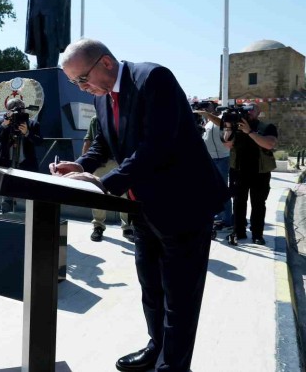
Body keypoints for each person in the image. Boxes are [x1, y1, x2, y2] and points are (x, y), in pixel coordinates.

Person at [51, 39, 227, 372]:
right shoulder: (103, 100)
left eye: (81, 79)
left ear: (105, 63)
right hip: (143, 210)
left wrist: (104, 185)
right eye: (76, 83)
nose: (81, 87)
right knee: (152, 289)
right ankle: (155, 347)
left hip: (182, 207)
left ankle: (173, 367)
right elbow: (103, 147)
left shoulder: (153, 79)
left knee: (180, 300)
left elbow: (155, 148)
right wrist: (81, 167)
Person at [223, 103, 277, 245]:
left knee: (258, 204)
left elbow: (269, 144)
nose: (249, 112)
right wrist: (229, 126)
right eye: (247, 109)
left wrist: (249, 132)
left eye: (253, 109)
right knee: (239, 203)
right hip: (238, 171)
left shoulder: (266, 127)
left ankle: (257, 234)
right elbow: (227, 144)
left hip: (260, 172)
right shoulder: (236, 128)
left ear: (258, 112)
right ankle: (239, 231)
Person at [81, 115, 133, 242]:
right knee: (98, 195)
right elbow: (88, 140)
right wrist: (83, 167)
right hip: (101, 163)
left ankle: (127, 227)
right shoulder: (96, 119)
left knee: (124, 195)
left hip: (120, 162)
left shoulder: (124, 116)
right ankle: (98, 226)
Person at [0, 98, 43, 213]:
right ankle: (6, 215)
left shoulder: (32, 123)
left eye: (19, 112)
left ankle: (29, 219)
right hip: (7, 164)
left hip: (26, 164)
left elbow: (40, 142)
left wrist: (27, 133)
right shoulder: (5, 122)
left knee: (30, 195)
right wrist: (4, 125)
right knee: (7, 196)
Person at [194, 102, 233, 230]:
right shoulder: (208, 121)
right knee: (214, 189)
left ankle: (227, 219)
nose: (205, 109)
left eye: (208, 107)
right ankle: (220, 214)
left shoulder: (223, 119)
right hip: (211, 158)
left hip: (222, 158)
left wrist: (207, 115)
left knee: (222, 189)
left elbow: (223, 127)